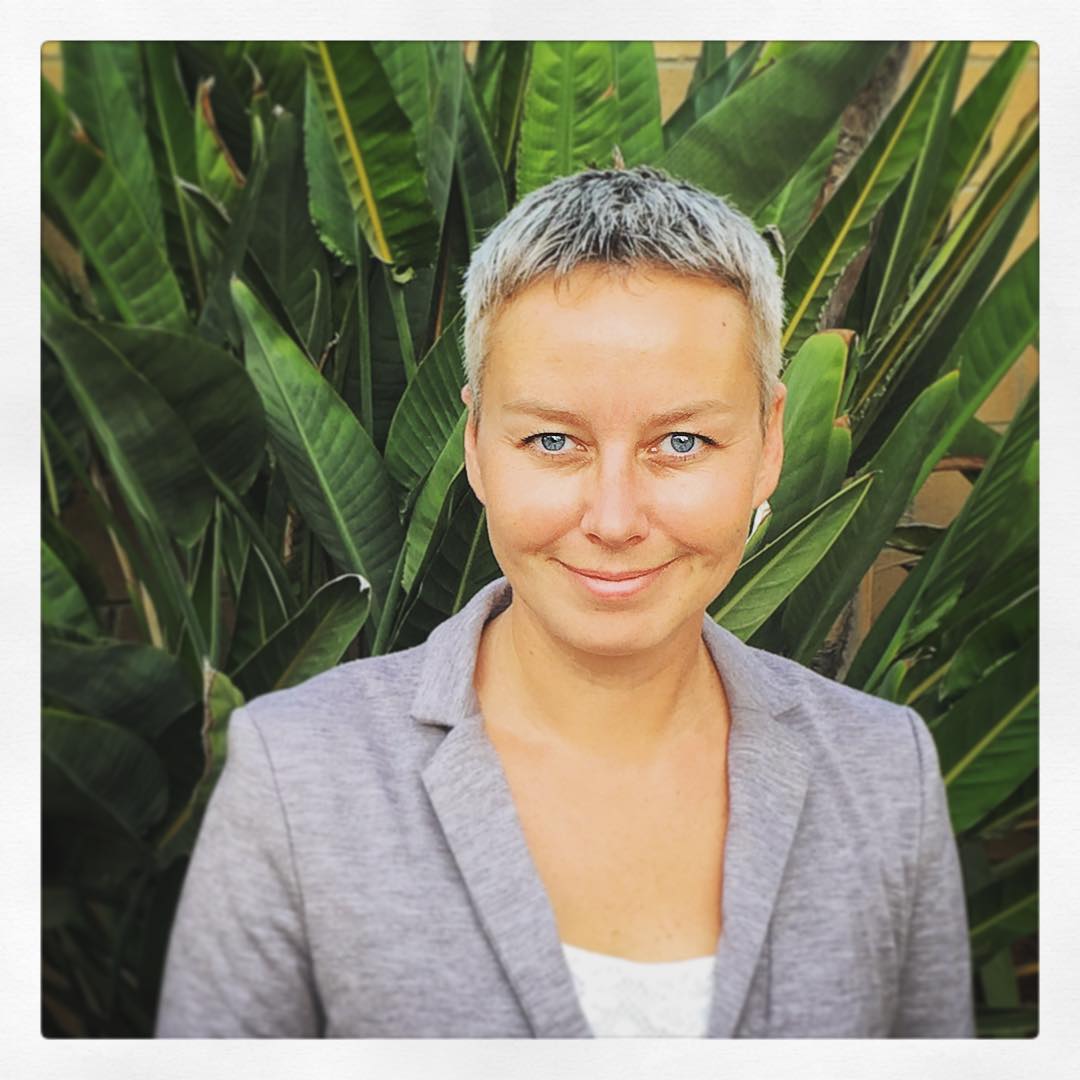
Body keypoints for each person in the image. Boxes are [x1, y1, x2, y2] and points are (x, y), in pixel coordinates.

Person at [155, 165, 974, 1039]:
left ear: (769, 442)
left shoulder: (886, 774)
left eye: (683, 441)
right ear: (473, 442)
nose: (615, 519)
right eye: (552, 440)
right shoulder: (299, 775)